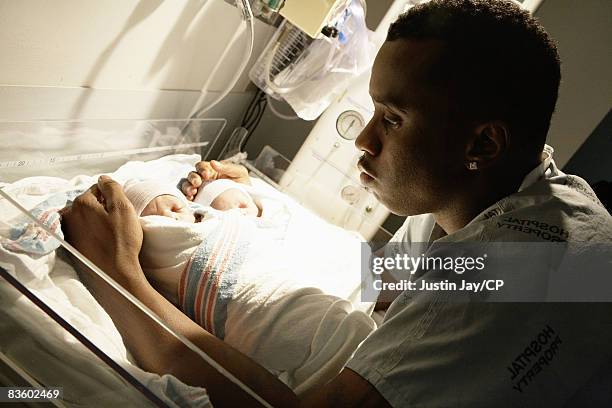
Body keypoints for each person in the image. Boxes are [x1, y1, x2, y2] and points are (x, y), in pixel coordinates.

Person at [61, 1, 612, 406]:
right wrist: (244, 207)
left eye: (393, 120)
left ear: (483, 144)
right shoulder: (499, 204)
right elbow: (391, 289)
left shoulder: (513, 272)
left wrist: (118, 273)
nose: (364, 141)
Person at [120, 179, 375, 394]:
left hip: (295, 301)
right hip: (251, 324)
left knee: (334, 327)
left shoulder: (222, 221)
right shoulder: (162, 241)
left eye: (175, 206)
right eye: (155, 216)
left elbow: (268, 222)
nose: (169, 216)